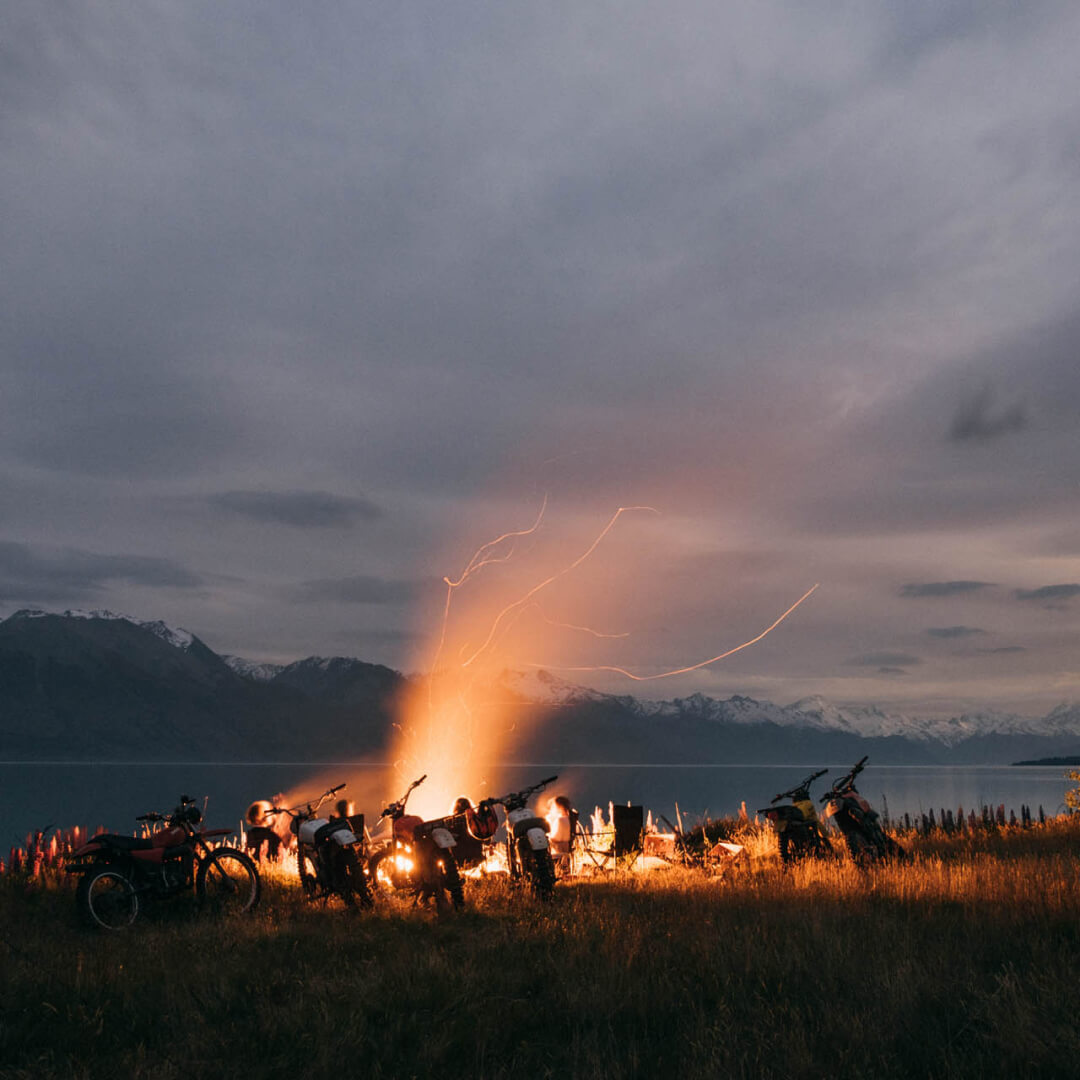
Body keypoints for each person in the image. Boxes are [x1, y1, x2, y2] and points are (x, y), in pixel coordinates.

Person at [548, 795, 578, 874]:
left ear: (558, 807)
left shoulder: (560, 820)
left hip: (559, 849)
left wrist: (548, 835)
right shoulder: (570, 818)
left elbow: (556, 838)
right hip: (567, 847)